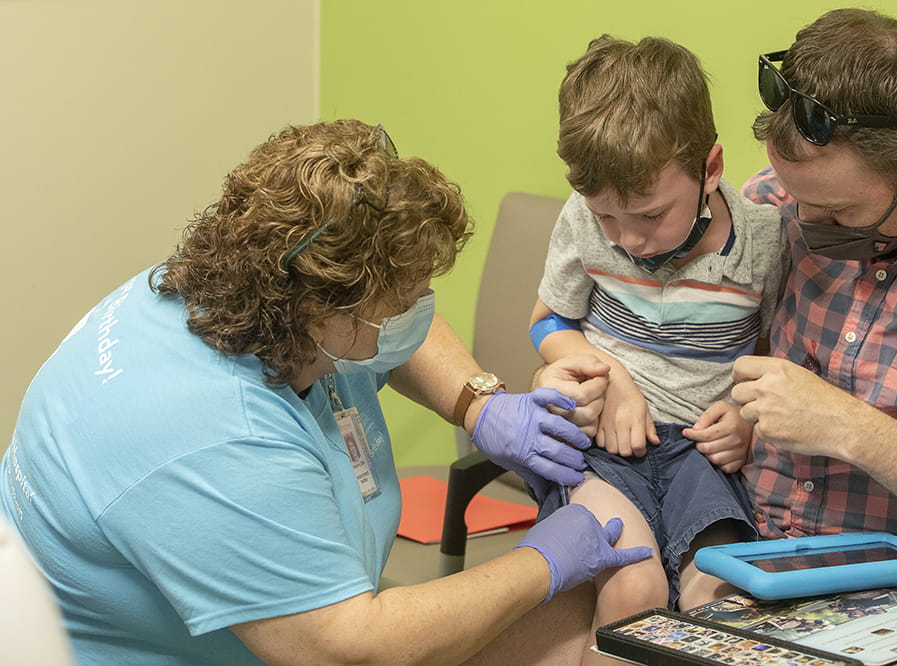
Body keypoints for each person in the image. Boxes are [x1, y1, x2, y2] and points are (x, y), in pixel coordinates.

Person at [0, 119, 652, 665]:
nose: (425, 313)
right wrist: (543, 560)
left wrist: (478, 402)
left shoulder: (232, 288)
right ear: (323, 312)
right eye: (410, 301)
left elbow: (393, 326)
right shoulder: (217, 435)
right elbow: (348, 648)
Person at [527, 35, 789, 657]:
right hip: (603, 447)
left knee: (719, 588)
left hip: (703, 452)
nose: (630, 240)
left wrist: (749, 418)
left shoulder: (764, 241)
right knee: (631, 582)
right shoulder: (583, 219)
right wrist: (610, 373)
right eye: (609, 218)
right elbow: (546, 324)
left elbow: (777, 355)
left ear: (712, 168)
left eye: (650, 215)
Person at [736, 6, 897, 564]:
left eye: (835, 213)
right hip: (739, 549)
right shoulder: (777, 203)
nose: (800, 220)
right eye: (793, 194)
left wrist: (854, 430)